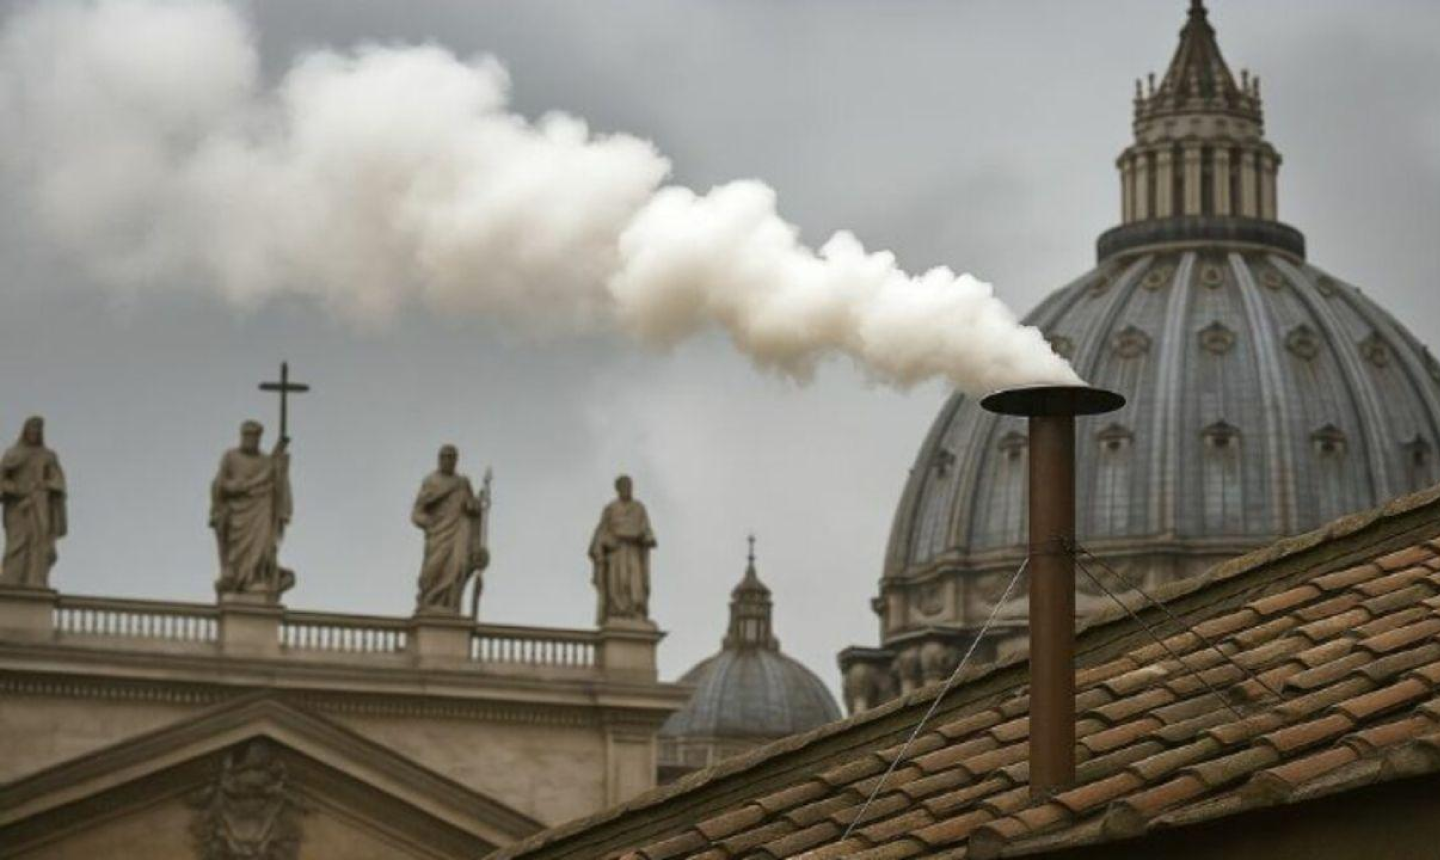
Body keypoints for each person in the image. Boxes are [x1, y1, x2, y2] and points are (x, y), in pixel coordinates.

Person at [210, 420, 294, 598]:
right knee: (237, 550)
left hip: (261, 510)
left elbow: (275, 483)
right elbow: (219, 485)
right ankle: (237, 578)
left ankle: (255, 579)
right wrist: (235, 486)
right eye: (247, 435)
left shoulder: (266, 461)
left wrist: (280, 467)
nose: (250, 439)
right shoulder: (230, 457)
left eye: (254, 436)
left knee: (261, 545)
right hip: (237, 513)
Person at [411, 445, 487, 614]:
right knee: (431, 572)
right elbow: (417, 513)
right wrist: (428, 523)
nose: (448, 460)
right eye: (445, 457)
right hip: (438, 534)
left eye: (452, 457)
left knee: (458, 567)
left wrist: (475, 506)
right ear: (440, 459)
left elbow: (470, 507)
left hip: (458, 533)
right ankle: (428, 603)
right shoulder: (431, 481)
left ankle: (450, 607)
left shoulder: (462, 483)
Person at [0, 416, 67, 588]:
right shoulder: (13, 454)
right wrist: (14, 489)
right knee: (17, 543)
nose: (35, 433)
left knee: (39, 543)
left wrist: (44, 485)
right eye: (32, 429)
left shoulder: (48, 456)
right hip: (17, 506)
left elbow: (58, 481)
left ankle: (35, 582)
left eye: (38, 430)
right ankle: (10, 581)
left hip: (39, 504)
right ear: (25, 431)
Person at [588, 475, 656, 624]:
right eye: (624, 486)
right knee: (619, 583)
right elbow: (601, 533)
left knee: (635, 584)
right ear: (618, 489)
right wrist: (602, 547)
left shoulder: (639, 508)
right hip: (617, 552)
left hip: (633, 550)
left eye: (629, 486)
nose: (627, 489)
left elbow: (646, 528)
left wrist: (647, 537)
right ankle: (618, 611)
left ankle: (636, 611)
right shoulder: (611, 509)